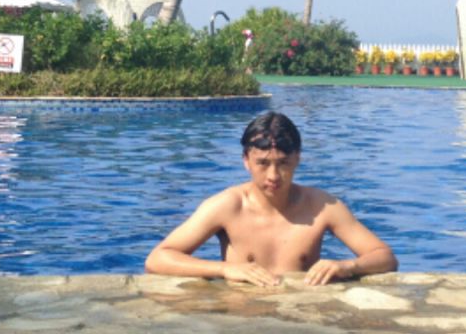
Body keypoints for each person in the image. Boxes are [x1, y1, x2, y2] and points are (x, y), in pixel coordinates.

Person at [145, 111, 397, 286]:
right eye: (263, 163)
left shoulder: (321, 206)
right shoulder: (228, 206)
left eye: (283, 163)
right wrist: (224, 269)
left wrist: (347, 266)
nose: (273, 175)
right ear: (246, 161)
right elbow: (158, 259)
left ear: (297, 159)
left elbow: (384, 257)